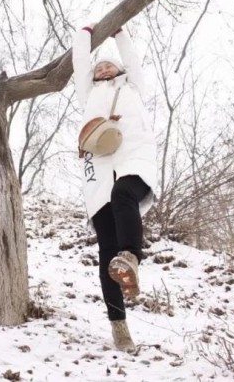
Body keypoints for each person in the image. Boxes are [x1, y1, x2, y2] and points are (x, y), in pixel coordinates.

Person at [72, 24, 157, 353]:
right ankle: (119, 327)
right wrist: (84, 36)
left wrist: (119, 33)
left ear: (119, 69)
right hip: (98, 164)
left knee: (125, 194)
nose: (103, 68)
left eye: (109, 64)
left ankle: (131, 257)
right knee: (105, 249)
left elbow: (133, 61)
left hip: (133, 156)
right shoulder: (88, 93)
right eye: (99, 66)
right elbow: (81, 64)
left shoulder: (134, 87)